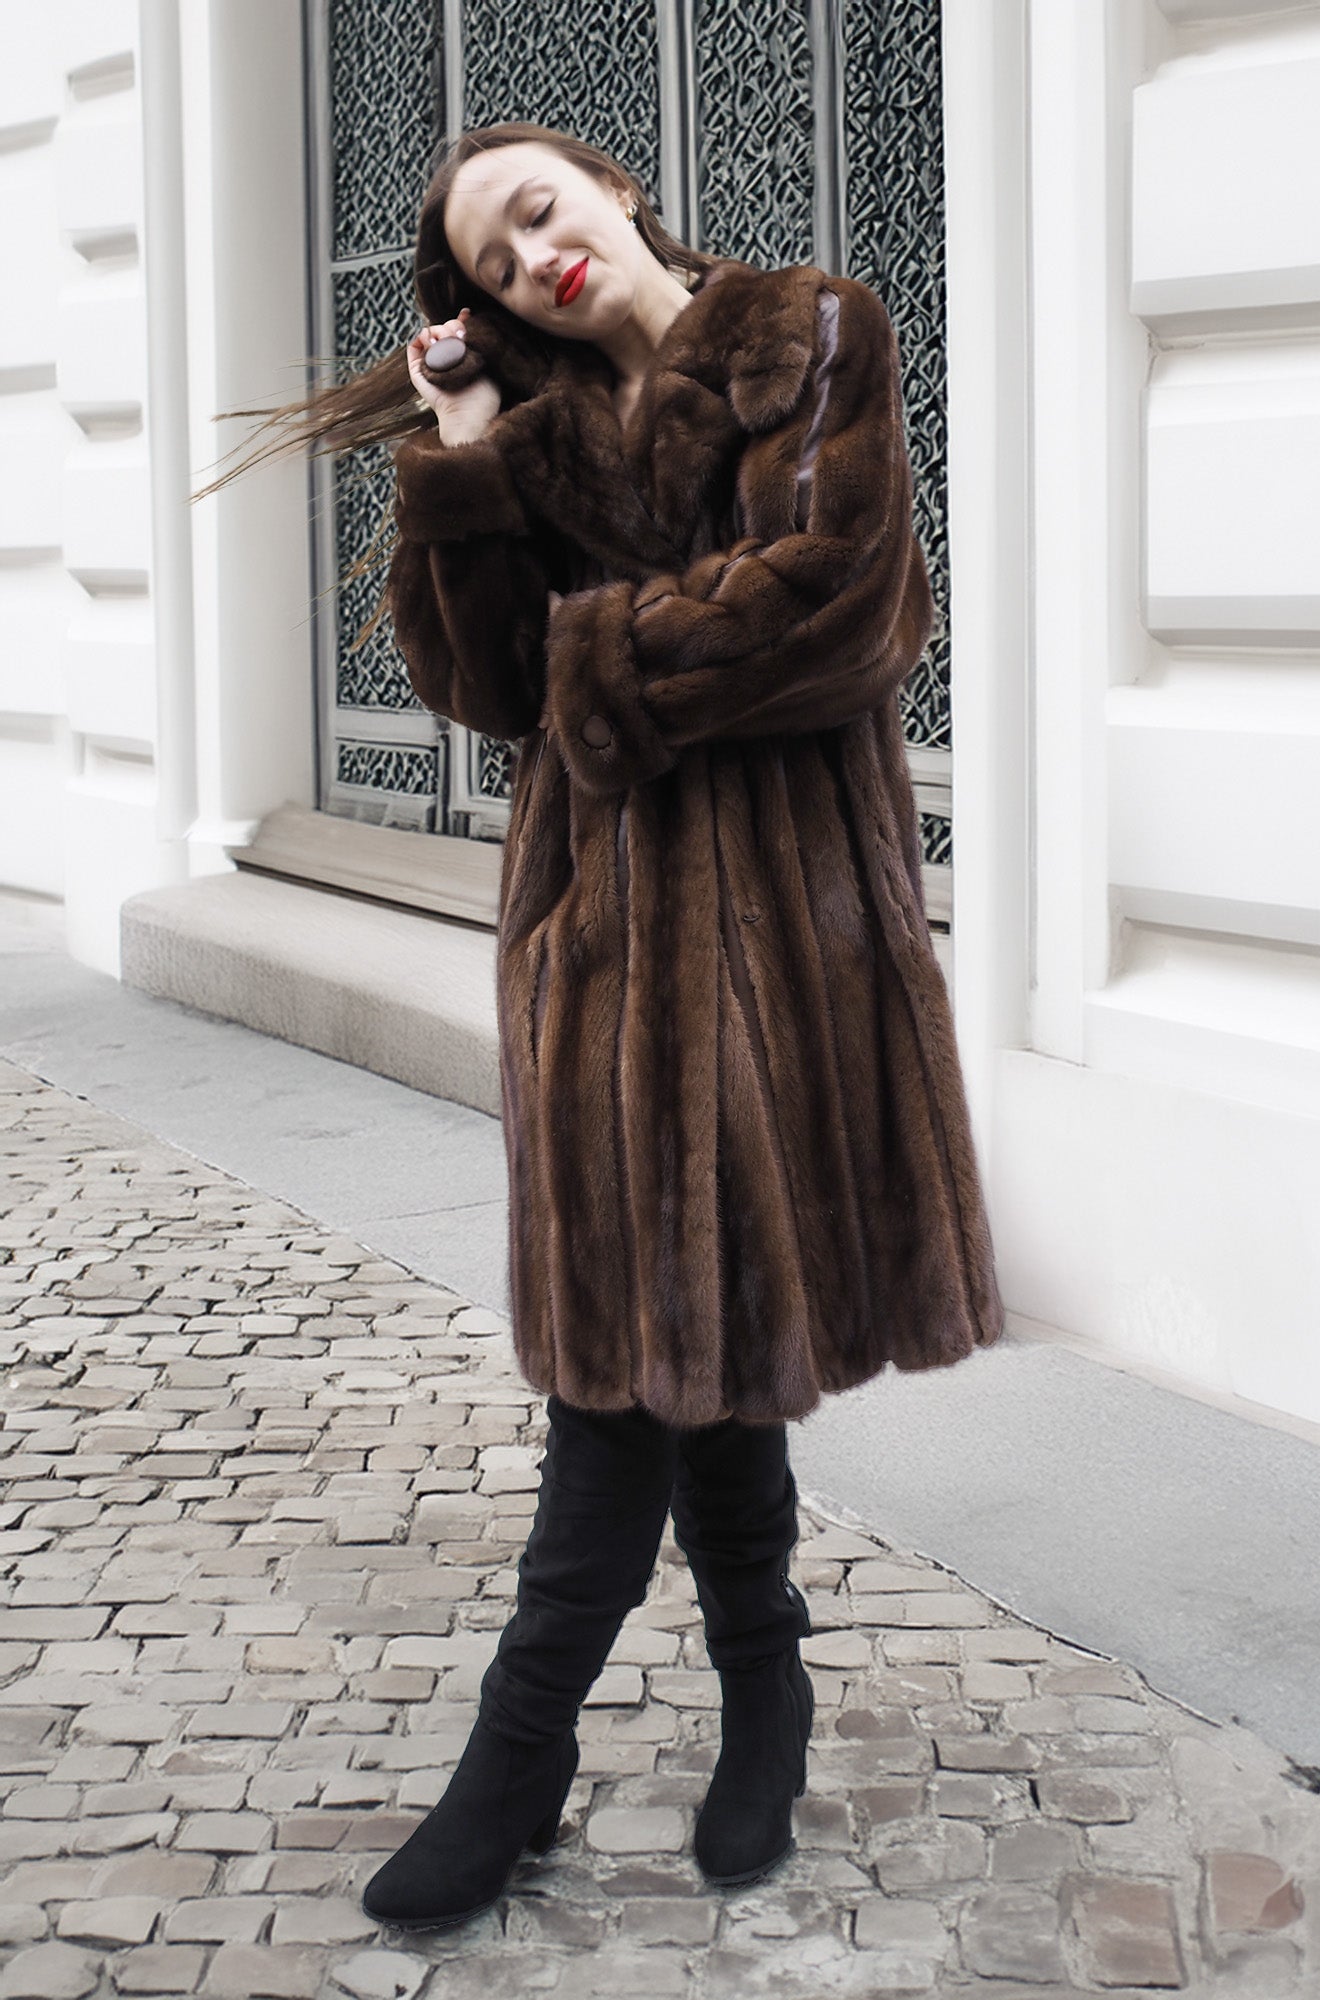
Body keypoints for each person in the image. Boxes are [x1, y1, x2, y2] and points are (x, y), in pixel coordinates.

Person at [201, 121, 1006, 1935]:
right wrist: (470, 469)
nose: (533, 260)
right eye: (494, 260)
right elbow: (485, 689)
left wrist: (594, 662)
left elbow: (845, 607)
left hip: (796, 938)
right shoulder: (534, 440)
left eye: (540, 211)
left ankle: (539, 1750)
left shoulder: (813, 334)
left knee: (655, 1357)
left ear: (620, 188)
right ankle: (743, 1691)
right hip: (605, 947)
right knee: (643, 1349)